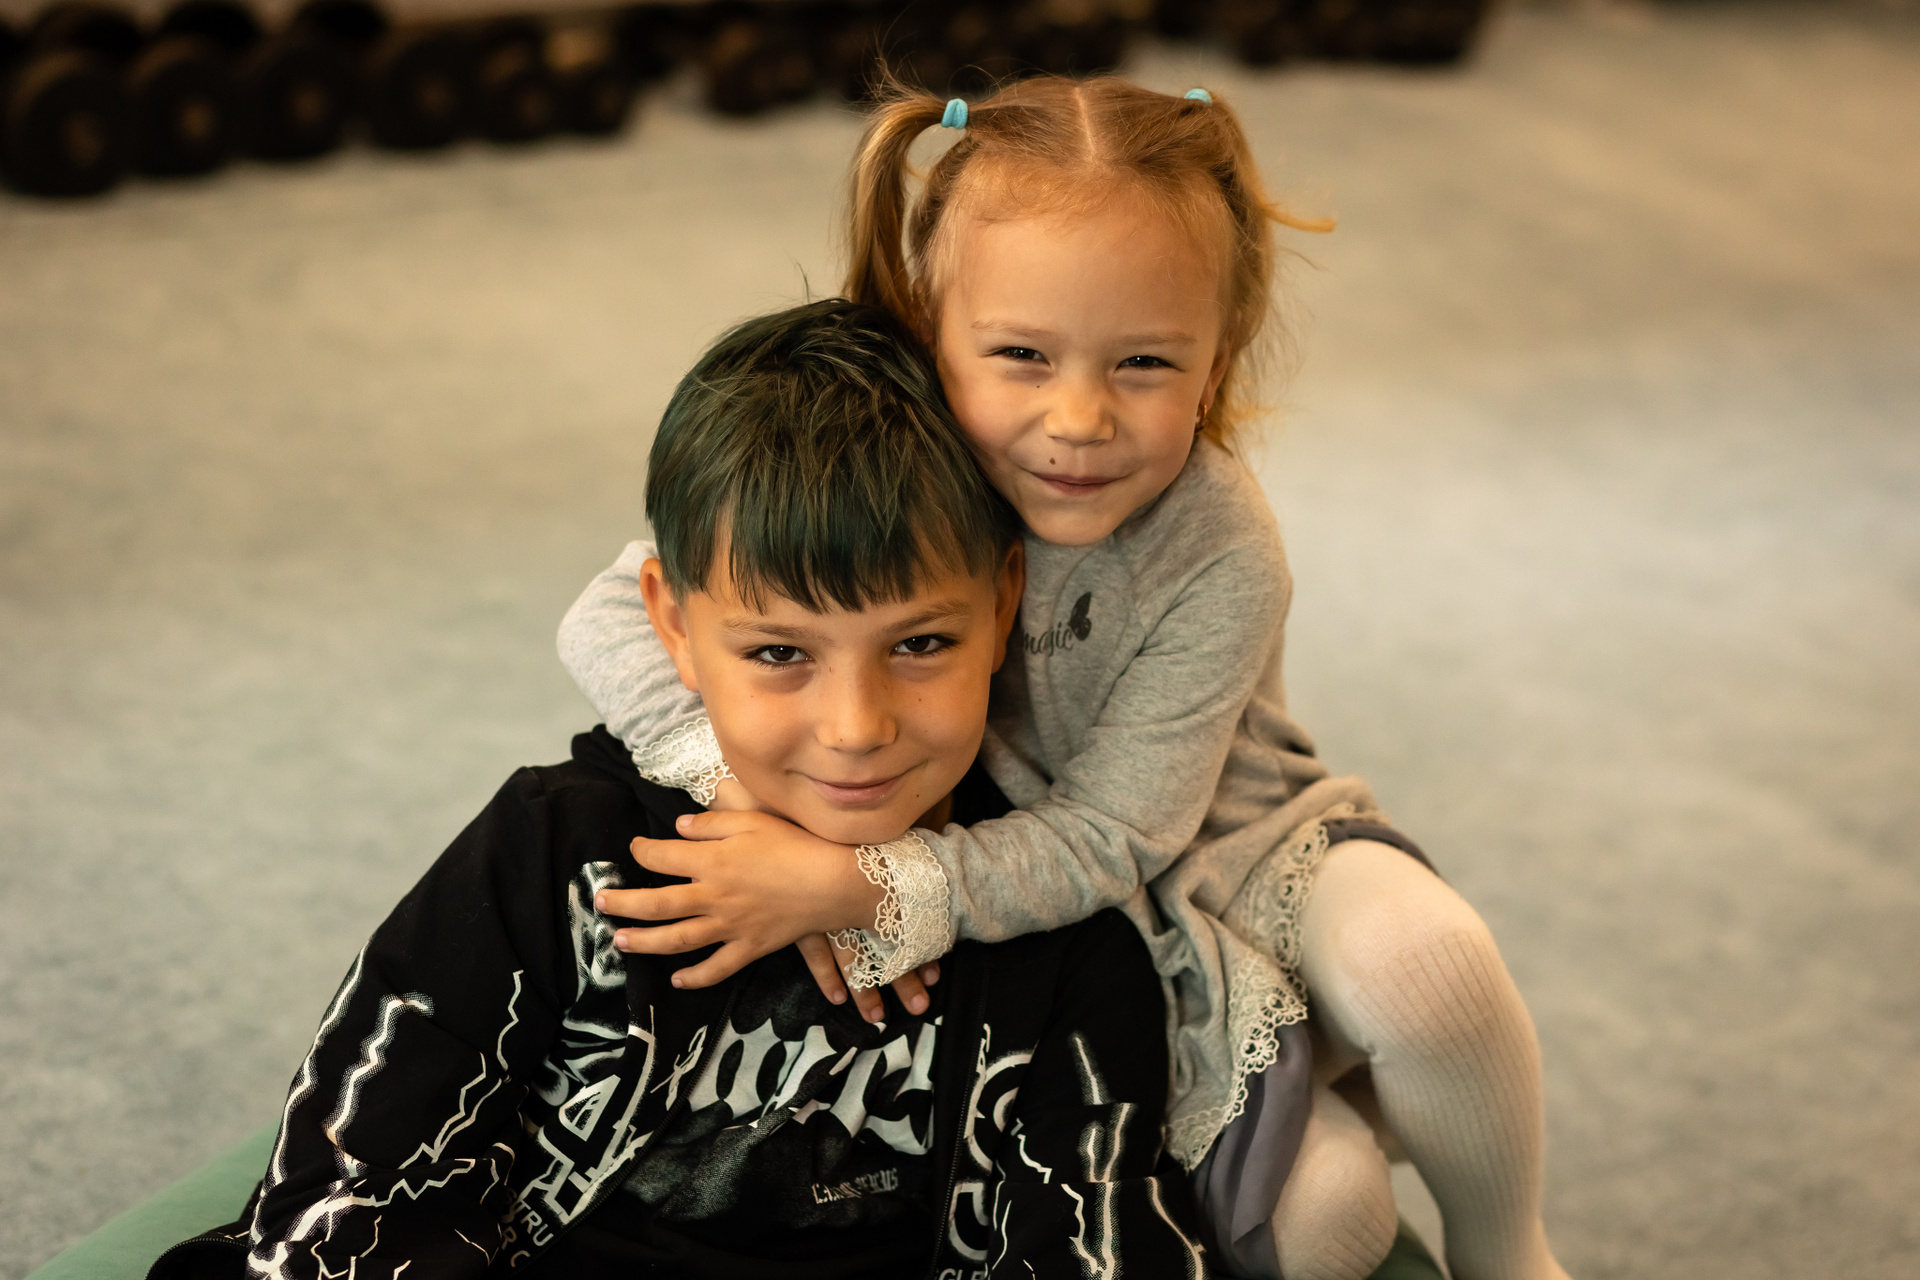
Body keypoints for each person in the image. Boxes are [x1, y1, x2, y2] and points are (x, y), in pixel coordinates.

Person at [558, 77, 1573, 1280]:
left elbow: (1114, 831)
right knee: (1331, 1224)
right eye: (1021, 355)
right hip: (1058, 914)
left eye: (1144, 361)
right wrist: (736, 790)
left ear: (1216, 362)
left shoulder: (1224, 547)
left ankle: (1512, 1252)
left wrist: (855, 885)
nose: (1080, 419)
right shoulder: (892, 464)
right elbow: (616, 607)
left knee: (1428, 967)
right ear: (930, 327)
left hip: (1229, 838)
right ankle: (1307, 1098)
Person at [150, 299, 1202, 1280]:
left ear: (1005, 602)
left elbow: (1098, 1236)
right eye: (781, 652)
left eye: (920, 643)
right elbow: (355, 1180)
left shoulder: (1061, 940)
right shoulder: (555, 853)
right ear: (672, 624)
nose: (857, 727)